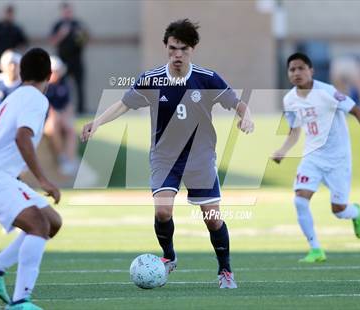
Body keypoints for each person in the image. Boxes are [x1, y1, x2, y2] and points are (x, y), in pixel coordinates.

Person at [81, 19, 254, 288]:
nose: (177, 55)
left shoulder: (207, 79)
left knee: (212, 219)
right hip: (165, 157)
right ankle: (169, 256)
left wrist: (247, 118)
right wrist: (98, 122)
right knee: (163, 211)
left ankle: (225, 271)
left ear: (192, 49)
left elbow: (239, 104)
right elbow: (123, 104)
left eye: (183, 49)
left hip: (199, 158)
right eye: (172, 48)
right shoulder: (151, 80)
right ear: (166, 47)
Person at [272, 52, 360, 263]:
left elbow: (356, 110)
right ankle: (315, 249)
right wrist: (283, 150)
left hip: (338, 159)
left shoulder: (328, 92)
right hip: (312, 158)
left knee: (339, 210)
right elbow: (294, 131)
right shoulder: (289, 100)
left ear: (311, 71)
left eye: (301, 68)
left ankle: (355, 212)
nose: (296, 73)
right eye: (292, 69)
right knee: (300, 200)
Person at [0, 48, 62, 309]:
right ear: (49, 74)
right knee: (38, 226)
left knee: (52, 222)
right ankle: (20, 301)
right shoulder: (36, 98)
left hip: (3, 176)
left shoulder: (15, 96)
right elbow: (23, 136)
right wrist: (43, 180)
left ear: (22, 73)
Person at [50, 2, 88, 114]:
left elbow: (85, 40)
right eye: (65, 11)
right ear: (62, 12)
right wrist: (62, 34)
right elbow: (53, 41)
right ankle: (61, 108)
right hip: (62, 62)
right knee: (61, 86)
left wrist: (81, 36)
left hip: (76, 60)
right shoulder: (58, 25)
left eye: (69, 11)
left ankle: (81, 110)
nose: (68, 13)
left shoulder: (78, 24)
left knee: (79, 86)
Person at [44, 55, 78, 176]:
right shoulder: (44, 85)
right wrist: (56, 116)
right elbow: (47, 107)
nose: (56, 73)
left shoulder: (64, 83)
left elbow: (68, 105)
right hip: (46, 121)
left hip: (60, 117)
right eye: (54, 70)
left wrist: (66, 117)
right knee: (53, 126)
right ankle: (61, 157)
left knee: (71, 129)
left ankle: (70, 159)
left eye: (58, 70)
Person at [0, 5, 28, 74]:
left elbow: (23, 43)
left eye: (11, 14)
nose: (9, 16)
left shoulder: (16, 29)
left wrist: (17, 52)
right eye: (7, 13)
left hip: (12, 58)